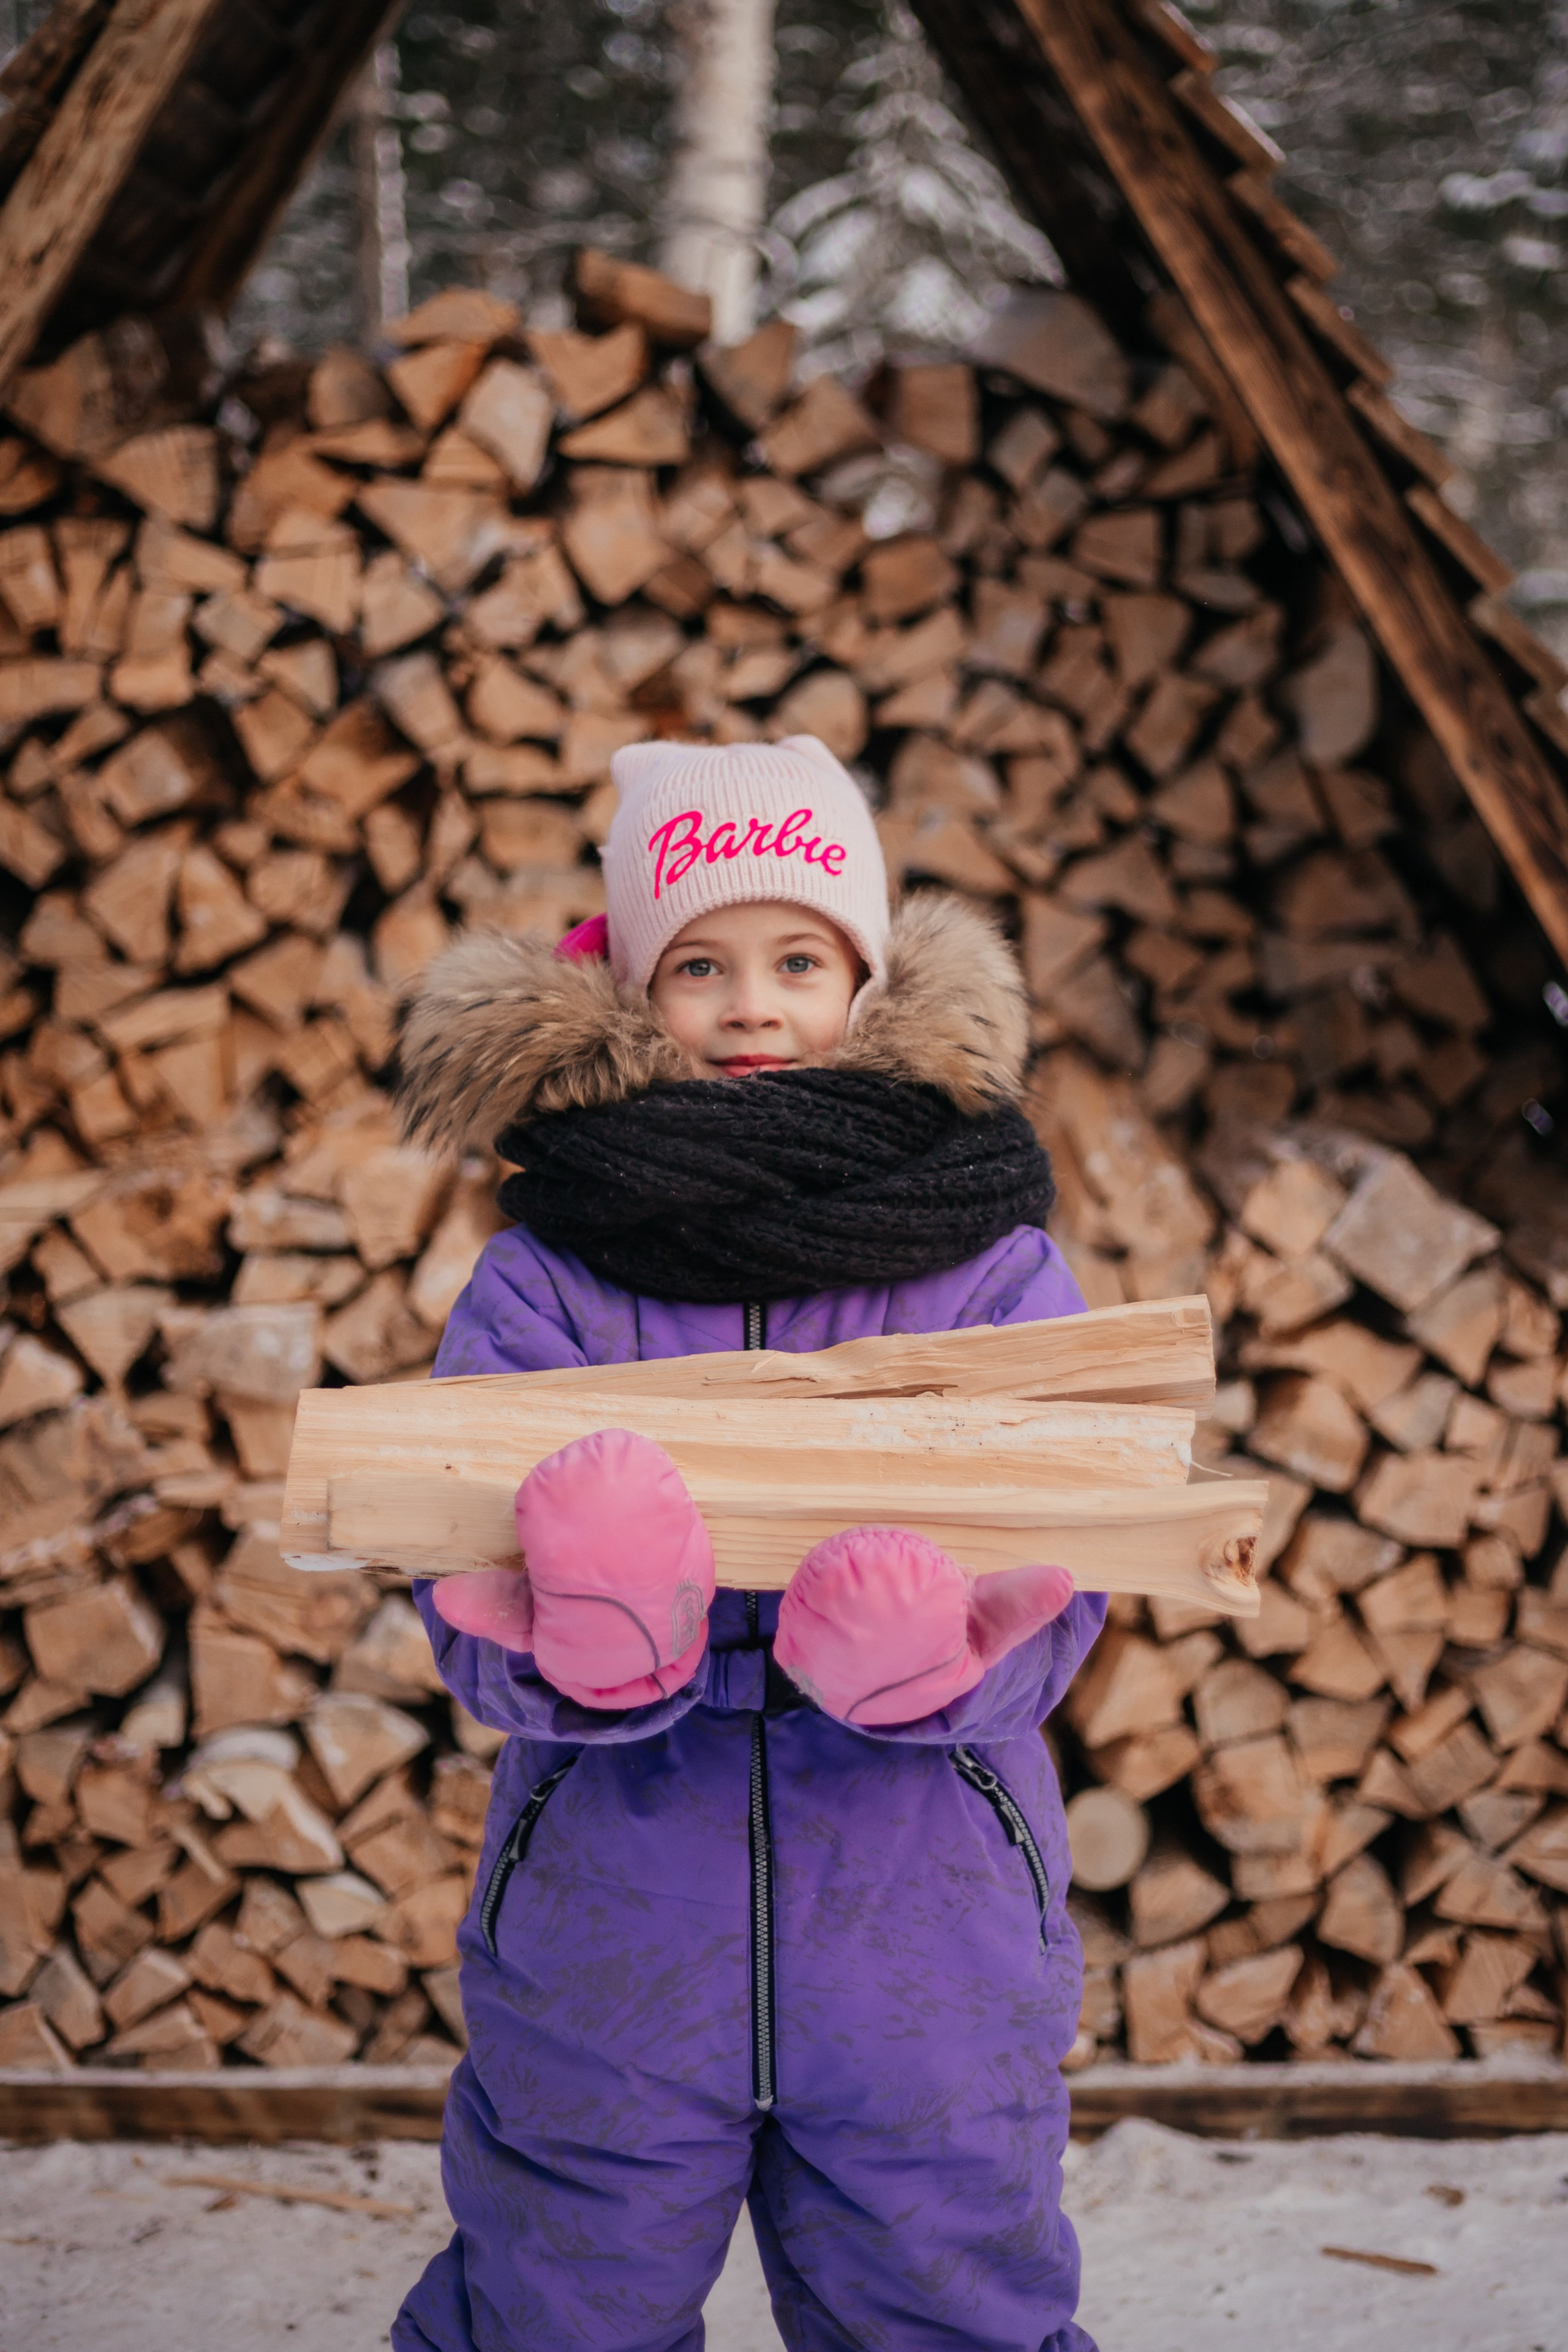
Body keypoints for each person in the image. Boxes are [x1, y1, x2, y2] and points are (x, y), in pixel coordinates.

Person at [389, 733, 1104, 2352]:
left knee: (946, 2288)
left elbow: (1073, 1552)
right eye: (698, 962)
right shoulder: (549, 1277)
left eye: (798, 956)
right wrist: (589, 1620)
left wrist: (941, 1654)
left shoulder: (988, 1262)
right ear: (636, 992)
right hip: (614, 1928)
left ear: (867, 977)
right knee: (564, 2286)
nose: (752, 1003)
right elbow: (450, 1564)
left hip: (924, 1924)